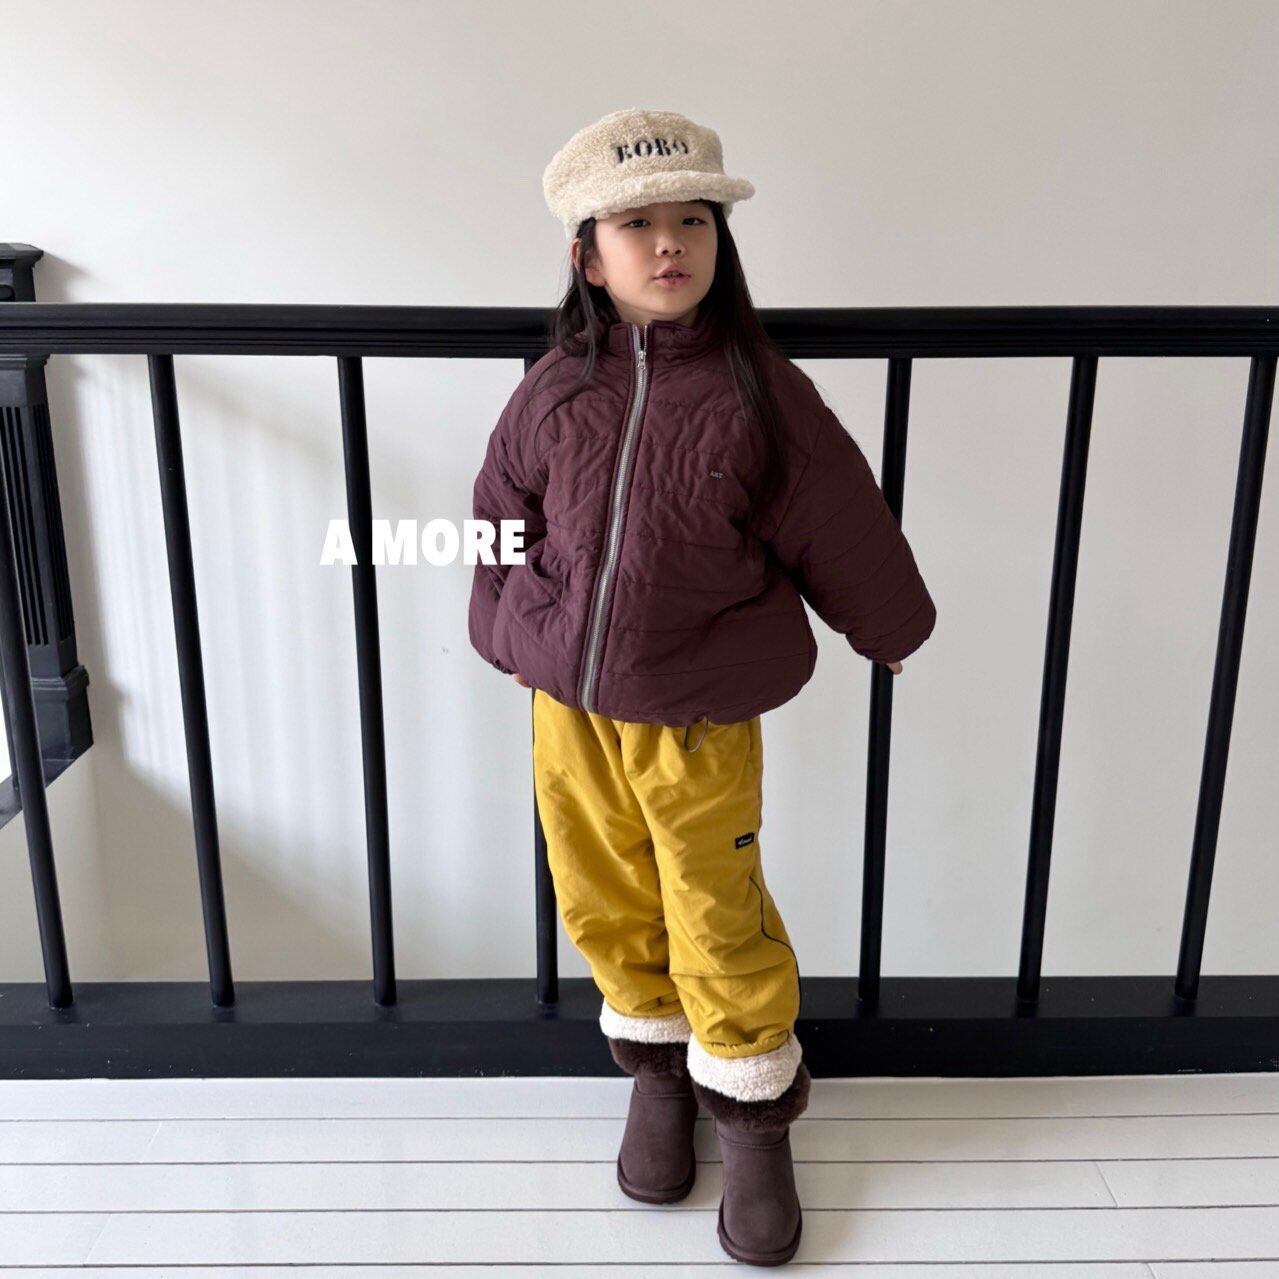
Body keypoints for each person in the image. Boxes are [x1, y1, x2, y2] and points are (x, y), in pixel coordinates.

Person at [468, 107, 938, 1267]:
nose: (670, 243)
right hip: (568, 706)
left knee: (713, 906)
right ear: (588, 256)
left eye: (693, 221)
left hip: (695, 711)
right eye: (637, 225)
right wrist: (499, 626)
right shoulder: (551, 390)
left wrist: (886, 626)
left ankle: (753, 1111)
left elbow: (836, 514)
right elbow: (497, 512)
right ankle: (659, 1074)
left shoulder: (760, 393)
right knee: (602, 891)